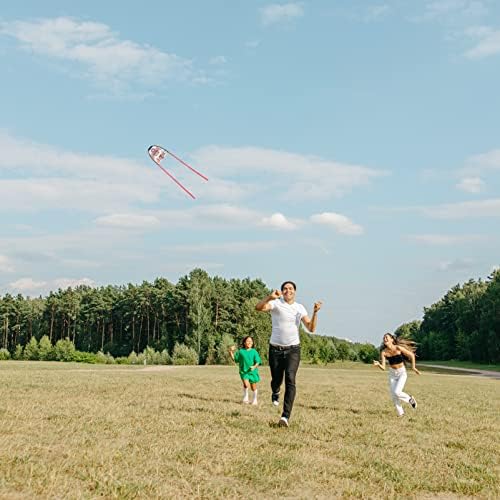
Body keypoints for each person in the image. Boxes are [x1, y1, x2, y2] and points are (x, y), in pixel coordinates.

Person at [255, 281, 322, 427]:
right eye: (285, 288)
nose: (287, 290)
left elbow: (311, 328)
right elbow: (258, 308)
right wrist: (269, 297)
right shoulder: (276, 303)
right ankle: (276, 390)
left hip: (293, 349)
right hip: (275, 349)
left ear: (295, 292)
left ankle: (285, 417)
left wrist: (315, 312)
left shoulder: (299, 308)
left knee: (290, 378)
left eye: (290, 288)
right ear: (281, 292)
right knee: (276, 379)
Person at [373, 332, 420, 417]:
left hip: (402, 373)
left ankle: (410, 399)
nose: (385, 339)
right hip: (392, 374)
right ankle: (401, 413)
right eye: (384, 338)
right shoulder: (384, 352)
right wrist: (378, 365)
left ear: (392, 339)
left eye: (386, 337)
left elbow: (412, 355)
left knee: (397, 392)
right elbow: (383, 367)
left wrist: (413, 368)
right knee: (394, 395)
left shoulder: (398, 348)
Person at [229, 336, 262, 405]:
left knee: (253, 387)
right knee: (246, 384)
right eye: (248, 341)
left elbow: (258, 361)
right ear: (244, 343)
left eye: (251, 341)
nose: (249, 342)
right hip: (244, 372)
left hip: (253, 372)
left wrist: (254, 366)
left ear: (252, 343)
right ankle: (245, 398)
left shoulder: (254, 351)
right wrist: (230, 351)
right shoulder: (241, 351)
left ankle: (255, 399)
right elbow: (235, 359)